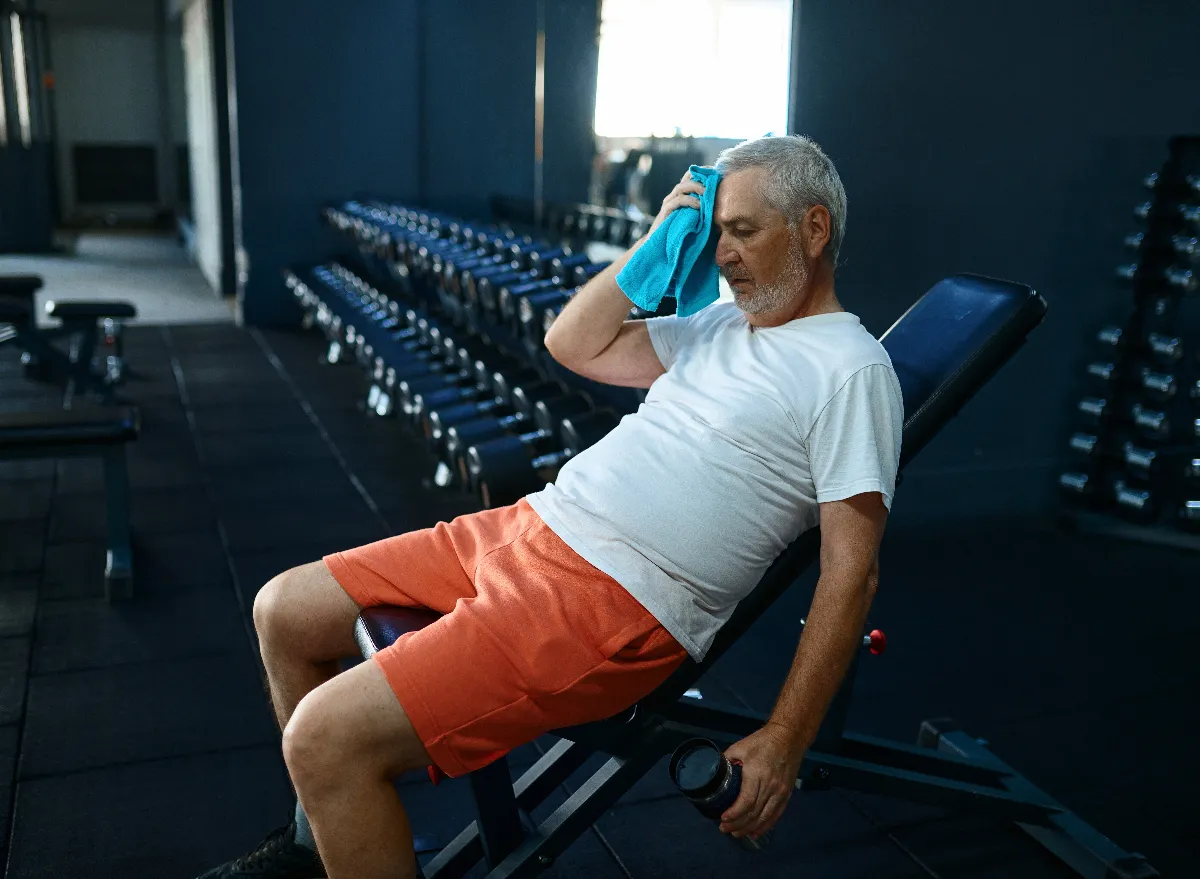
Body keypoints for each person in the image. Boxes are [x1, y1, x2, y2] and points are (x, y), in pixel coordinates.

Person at [197, 134, 904, 879]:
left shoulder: (851, 370)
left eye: (743, 231)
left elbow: (850, 572)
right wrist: (658, 243)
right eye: (716, 232)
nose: (723, 254)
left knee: (323, 738)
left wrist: (786, 738)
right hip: (530, 523)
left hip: (607, 600)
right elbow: (571, 343)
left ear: (814, 228)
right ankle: (317, 848)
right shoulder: (718, 325)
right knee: (283, 610)